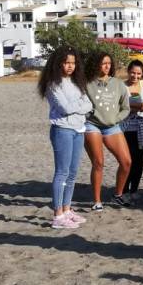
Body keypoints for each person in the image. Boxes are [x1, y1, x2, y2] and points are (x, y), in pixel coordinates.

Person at [39, 46, 92, 229]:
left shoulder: (77, 82)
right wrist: (79, 105)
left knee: (72, 173)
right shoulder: (53, 84)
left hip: (79, 129)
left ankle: (67, 209)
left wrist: (77, 105)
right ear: (58, 63)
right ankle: (58, 214)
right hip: (62, 130)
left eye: (73, 63)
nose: (70, 66)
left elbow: (88, 104)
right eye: (67, 62)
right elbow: (65, 108)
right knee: (61, 173)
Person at [83, 51, 132, 210]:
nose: (106, 66)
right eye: (103, 63)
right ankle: (97, 201)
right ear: (96, 64)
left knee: (126, 162)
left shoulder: (118, 84)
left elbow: (126, 108)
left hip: (112, 126)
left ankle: (117, 194)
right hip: (92, 125)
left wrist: (115, 119)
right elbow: (79, 103)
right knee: (98, 162)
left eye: (109, 63)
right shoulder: (86, 83)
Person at [121, 60, 143, 203]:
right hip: (126, 128)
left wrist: (133, 105)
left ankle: (134, 189)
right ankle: (124, 190)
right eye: (133, 72)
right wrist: (139, 106)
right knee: (127, 160)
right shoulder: (122, 86)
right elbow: (118, 106)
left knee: (140, 160)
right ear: (128, 72)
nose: (135, 76)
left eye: (138, 73)